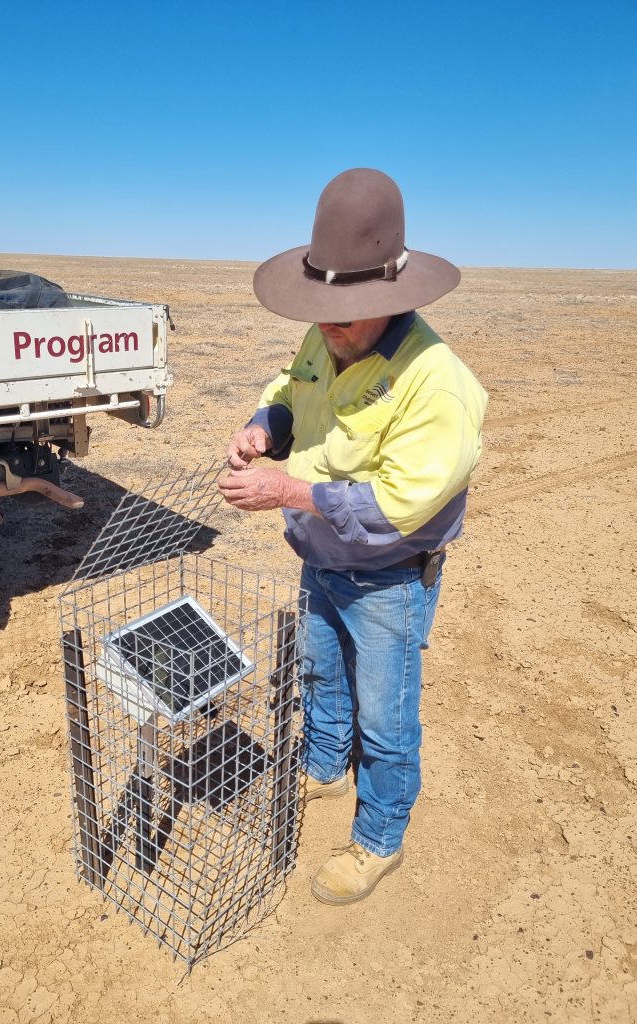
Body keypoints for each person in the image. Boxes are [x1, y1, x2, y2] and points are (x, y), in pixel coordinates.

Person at [219, 168, 488, 906]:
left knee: (388, 715)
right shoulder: (325, 333)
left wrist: (285, 490)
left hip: (390, 579)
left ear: (392, 298)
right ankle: (324, 768)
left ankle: (379, 842)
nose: (330, 325)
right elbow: (289, 391)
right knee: (321, 678)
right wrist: (264, 427)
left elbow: (400, 505)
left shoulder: (437, 384)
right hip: (322, 561)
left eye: (347, 312)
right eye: (323, 309)